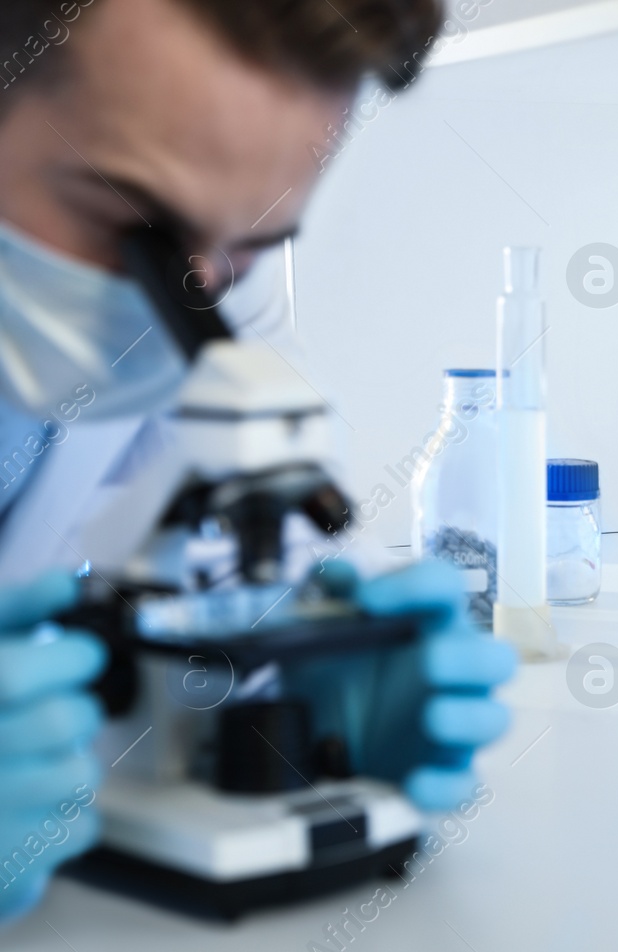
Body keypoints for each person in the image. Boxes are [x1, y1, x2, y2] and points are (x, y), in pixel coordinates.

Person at [0, 0, 515, 922]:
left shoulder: (222, 284)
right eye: (128, 224)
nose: (195, 297)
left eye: (250, 246)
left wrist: (328, 702)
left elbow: (250, 577)